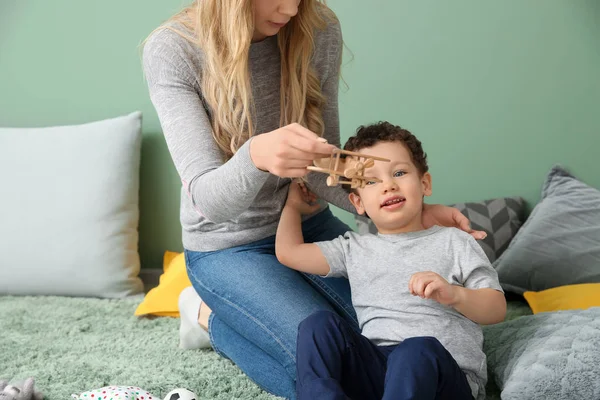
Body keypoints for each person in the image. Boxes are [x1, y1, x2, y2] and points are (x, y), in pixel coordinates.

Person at [142, 1, 486, 398]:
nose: (290, 8)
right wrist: (256, 156)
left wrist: (414, 210)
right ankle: (207, 317)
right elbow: (210, 201)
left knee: (392, 345)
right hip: (227, 247)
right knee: (318, 374)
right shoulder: (173, 50)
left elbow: (326, 165)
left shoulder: (315, 28)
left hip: (311, 226)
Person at [275, 122, 507, 400]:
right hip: (379, 376)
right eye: (371, 181)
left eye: (399, 172)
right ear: (357, 203)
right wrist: (292, 206)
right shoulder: (354, 249)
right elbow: (289, 252)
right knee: (318, 326)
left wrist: (454, 294)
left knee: (415, 351)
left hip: (444, 376)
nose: (388, 185)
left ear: (425, 184)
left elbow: (496, 309)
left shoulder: (455, 241)